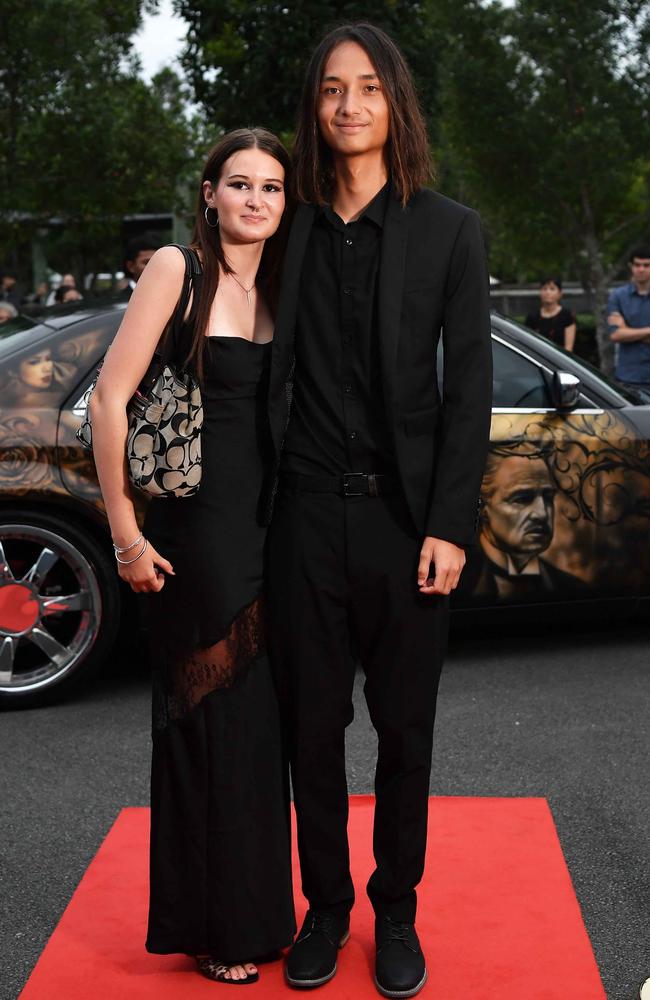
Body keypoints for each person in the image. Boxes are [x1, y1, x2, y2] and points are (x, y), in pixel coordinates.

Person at [266, 23, 492, 999]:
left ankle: (393, 908)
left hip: (406, 526)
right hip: (302, 522)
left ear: (393, 102)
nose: (348, 105)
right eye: (330, 89)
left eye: (366, 88)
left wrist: (448, 522)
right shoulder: (286, 225)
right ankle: (324, 906)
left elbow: (469, 386)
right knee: (309, 735)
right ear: (314, 109)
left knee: (405, 732)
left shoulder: (448, 228)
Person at [88, 128, 295, 985]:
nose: (256, 200)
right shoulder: (179, 268)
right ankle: (215, 923)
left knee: (260, 735)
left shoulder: (287, 278)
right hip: (195, 535)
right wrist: (125, 536)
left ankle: (257, 911)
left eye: (273, 187)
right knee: (211, 725)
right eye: (239, 183)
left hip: (273, 529)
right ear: (208, 193)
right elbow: (108, 399)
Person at [473, 443, 587, 601]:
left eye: (548, 497)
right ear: (482, 505)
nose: (541, 513)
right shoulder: (452, 588)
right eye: (522, 499)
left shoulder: (574, 591)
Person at [608, 245, 650, 394]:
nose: (641, 269)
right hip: (628, 377)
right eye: (637, 265)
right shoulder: (618, 296)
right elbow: (615, 335)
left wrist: (627, 329)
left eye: (646, 265)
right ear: (631, 267)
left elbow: (623, 333)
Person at [525, 277, 576, 351]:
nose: (548, 292)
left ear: (560, 293)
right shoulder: (532, 317)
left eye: (552, 289)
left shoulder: (567, 316)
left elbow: (568, 348)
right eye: (544, 289)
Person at [117, 233, 162, 298]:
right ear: (131, 266)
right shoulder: (118, 302)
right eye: (147, 263)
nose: (155, 268)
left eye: (158, 262)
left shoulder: (171, 299)